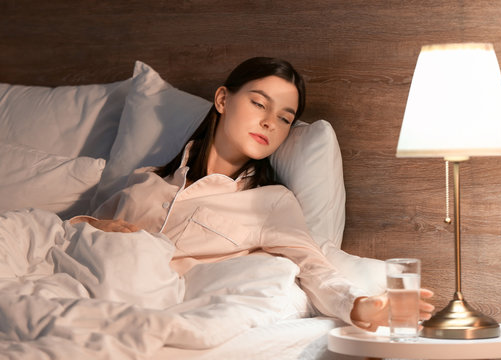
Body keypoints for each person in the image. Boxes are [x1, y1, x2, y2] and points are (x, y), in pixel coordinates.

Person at [71, 57, 434, 331]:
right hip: (77, 286)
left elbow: (313, 268)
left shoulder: (269, 202)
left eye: (285, 118)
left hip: (140, 309)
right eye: (260, 104)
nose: (269, 123)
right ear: (223, 100)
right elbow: (71, 239)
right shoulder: (144, 182)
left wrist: (361, 306)